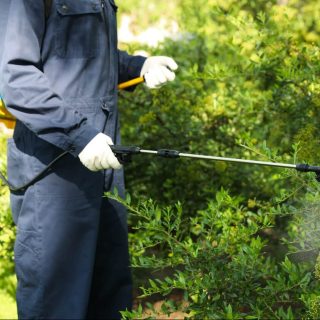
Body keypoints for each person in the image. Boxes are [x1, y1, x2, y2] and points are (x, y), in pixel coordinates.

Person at [0, 0, 178, 318]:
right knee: (56, 305)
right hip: (53, 171)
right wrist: (78, 135)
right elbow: (16, 78)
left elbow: (89, 60)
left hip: (105, 162)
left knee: (110, 298)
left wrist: (139, 66)